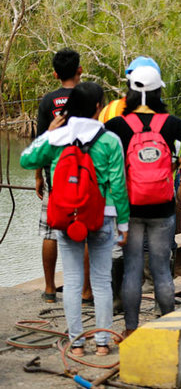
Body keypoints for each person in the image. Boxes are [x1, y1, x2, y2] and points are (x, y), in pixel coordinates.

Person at [21, 82, 129, 356]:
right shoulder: (109, 140)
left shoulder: (58, 137)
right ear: (97, 107)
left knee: (70, 281)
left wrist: (48, 133)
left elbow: (27, 160)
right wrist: (124, 224)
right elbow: (119, 185)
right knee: (102, 281)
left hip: (67, 217)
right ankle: (103, 344)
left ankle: (77, 345)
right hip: (101, 217)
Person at [105, 66, 181, 337]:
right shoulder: (170, 122)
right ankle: (169, 329)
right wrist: (177, 162)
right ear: (156, 91)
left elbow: (99, 151)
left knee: (132, 270)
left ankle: (130, 330)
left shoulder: (117, 125)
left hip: (130, 206)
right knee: (162, 270)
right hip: (162, 206)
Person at [34, 48, 86, 304]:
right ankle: (87, 291)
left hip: (55, 180)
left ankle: (49, 288)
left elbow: (41, 143)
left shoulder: (47, 102)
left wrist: (38, 178)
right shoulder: (88, 97)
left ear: (55, 74)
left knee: (49, 231)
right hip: (85, 178)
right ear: (80, 70)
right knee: (87, 230)